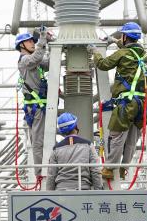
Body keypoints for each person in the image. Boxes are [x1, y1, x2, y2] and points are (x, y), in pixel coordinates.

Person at [91, 21, 147, 181]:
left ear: (125, 37)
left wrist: (95, 51)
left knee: (117, 136)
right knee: (132, 138)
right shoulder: (143, 54)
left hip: (126, 104)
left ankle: (109, 168)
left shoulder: (122, 54)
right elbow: (129, 51)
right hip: (142, 104)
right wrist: (115, 41)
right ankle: (124, 168)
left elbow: (102, 64)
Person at [16, 29, 51, 175]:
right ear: (21, 45)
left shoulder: (33, 60)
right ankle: (41, 174)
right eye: (29, 41)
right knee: (38, 142)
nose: (32, 43)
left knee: (44, 140)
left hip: (41, 107)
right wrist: (42, 40)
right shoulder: (25, 60)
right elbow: (36, 58)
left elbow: (48, 64)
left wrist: (54, 47)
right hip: (35, 108)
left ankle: (47, 170)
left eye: (33, 41)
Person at [43, 113, 104, 191]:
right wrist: (99, 191)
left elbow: (51, 175)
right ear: (75, 126)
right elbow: (95, 171)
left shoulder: (56, 149)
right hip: (83, 190)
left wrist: (49, 195)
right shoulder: (88, 145)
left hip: (61, 192)